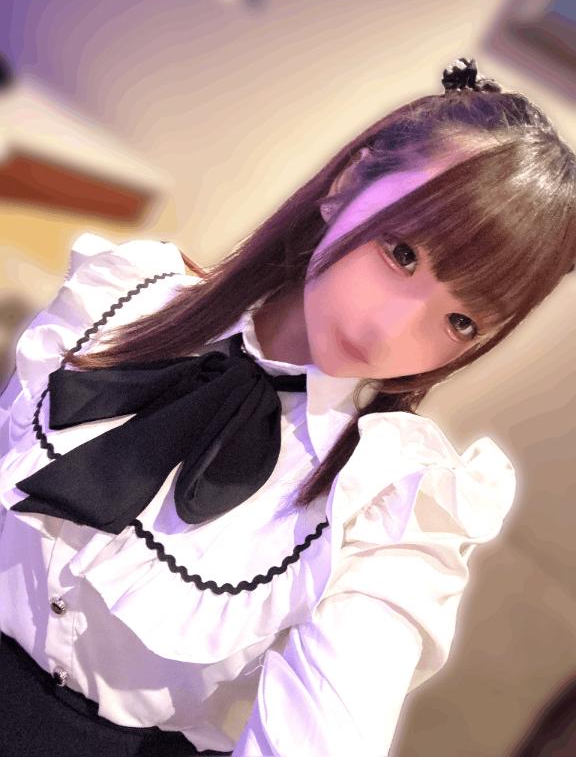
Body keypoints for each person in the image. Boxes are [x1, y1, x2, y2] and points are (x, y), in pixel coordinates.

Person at [0, 56, 574, 757]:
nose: (387, 331)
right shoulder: (120, 293)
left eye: (461, 322)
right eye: (402, 254)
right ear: (347, 183)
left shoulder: (387, 507)